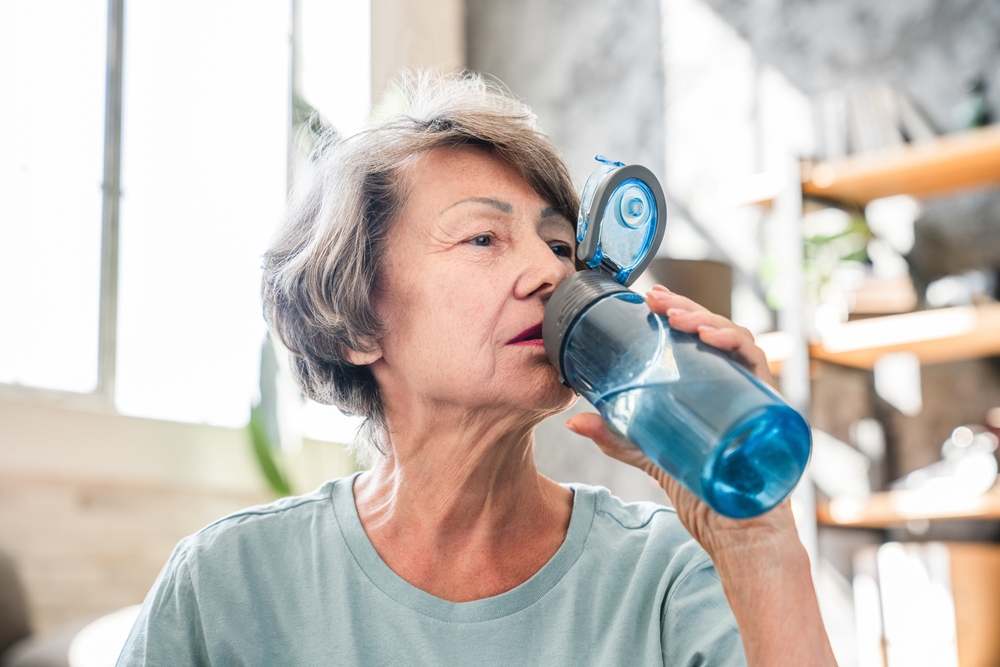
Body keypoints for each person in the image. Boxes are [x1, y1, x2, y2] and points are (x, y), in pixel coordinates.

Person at [117, 72, 835, 666]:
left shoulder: (666, 578)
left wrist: (755, 539)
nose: (547, 272)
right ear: (359, 319)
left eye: (559, 244)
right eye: (483, 237)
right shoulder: (226, 586)